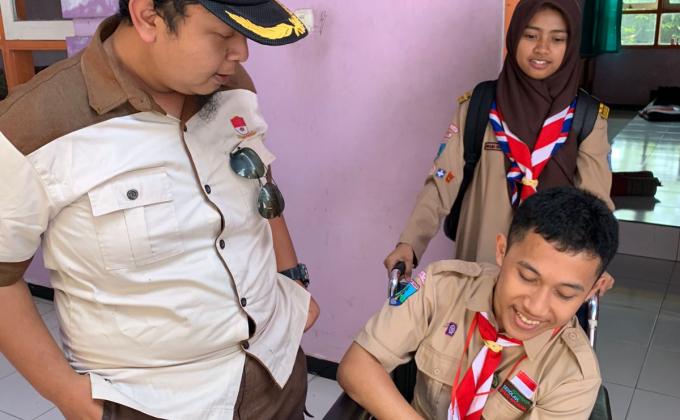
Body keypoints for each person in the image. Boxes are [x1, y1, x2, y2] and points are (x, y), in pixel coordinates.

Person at [0, 0, 319, 418]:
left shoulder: (233, 86)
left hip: (274, 370)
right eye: (224, 35)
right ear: (149, 16)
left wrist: (292, 278)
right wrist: (65, 392)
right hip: (150, 402)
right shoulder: (34, 124)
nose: (241, 53)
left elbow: (260, 183)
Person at [383, 0, 615, 297]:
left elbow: (595, 204)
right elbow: (442, 181)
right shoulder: (480, 105)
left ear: (571, 46)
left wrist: (598, 262)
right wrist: (410, 243)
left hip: (551, 280)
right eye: (531, 35)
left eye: (557, 39)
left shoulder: (586, 117)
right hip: (479, 269)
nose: (542, 48)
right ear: (514, 36)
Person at [338, 187, 618, 420]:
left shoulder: (574, 375)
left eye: (565, 294)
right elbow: (356, 366)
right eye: (527, 277)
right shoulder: (440, 286)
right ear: (501, 250)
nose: (536, 306)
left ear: (592, 291)